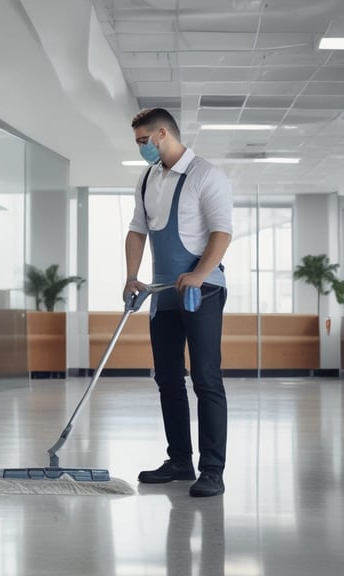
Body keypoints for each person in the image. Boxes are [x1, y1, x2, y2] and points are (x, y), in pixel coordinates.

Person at [124, 108, 232, 497]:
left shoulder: (206, 174)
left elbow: (222, 232)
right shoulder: (147, 179)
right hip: (162, 293)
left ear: (162, 134)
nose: (141, 148)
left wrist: (199, 274)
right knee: (168, 378)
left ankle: (212, 470)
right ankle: (180, 461)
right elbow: (137, 231)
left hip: (202, 290)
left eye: (143, 141)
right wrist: (132, 277)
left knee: (205, 377)